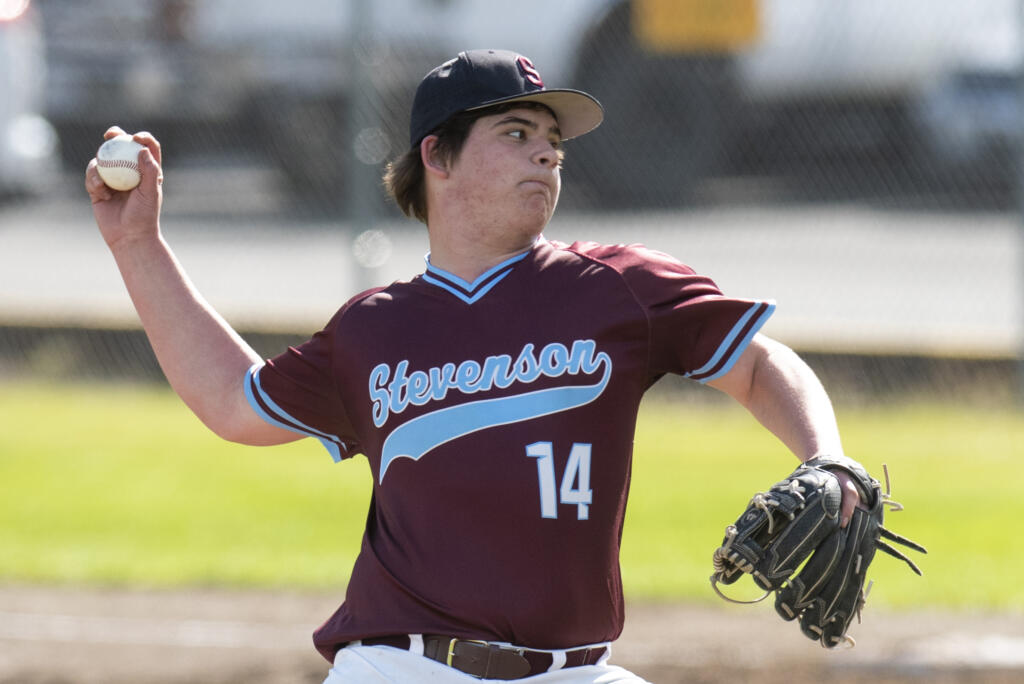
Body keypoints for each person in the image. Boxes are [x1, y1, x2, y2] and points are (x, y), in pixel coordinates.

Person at [86, 49, 861, 683]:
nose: (548, 151)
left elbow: (759, 366)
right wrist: (136, 245)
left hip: (576, 674)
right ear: (437, 155)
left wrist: (826, 459)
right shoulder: (373, 330)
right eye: (518, 132)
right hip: (401, 669)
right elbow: (232, 401)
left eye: (553, 139)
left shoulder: (620, 287)